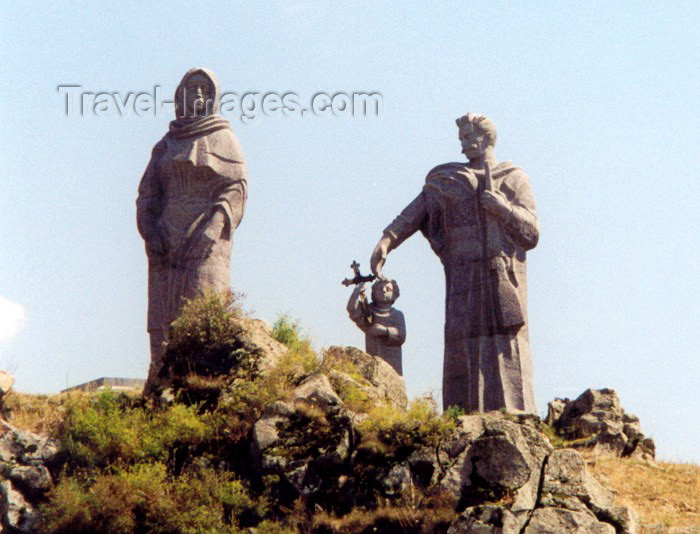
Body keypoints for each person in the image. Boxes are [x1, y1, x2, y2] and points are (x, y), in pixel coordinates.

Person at [370, 113, 539, 413]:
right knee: (462, 342)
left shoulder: (513, 178)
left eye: (467, 138)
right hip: (463, 277)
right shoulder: (447, 181)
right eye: (460, 139)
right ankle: (462, 411)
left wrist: (504, 210)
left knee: (505, 344)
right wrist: (387, 240)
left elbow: (532, 233)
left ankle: (513, 413)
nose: (462, 146)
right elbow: (416, 212)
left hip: (502, 272)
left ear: (485, 138)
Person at [136, 67, 247, 395]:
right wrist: (150, 230)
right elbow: (147, 195)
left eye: (203, 90)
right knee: (164, 314)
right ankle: (159, 385)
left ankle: (202, 388)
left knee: (202, 307)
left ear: (212, 97)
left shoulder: (223, 138)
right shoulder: (165, 145)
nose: (197, 96)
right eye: (190, 90)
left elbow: (236, 187)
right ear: (179, 97)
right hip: (166, 238)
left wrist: (214, 227)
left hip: (205, 239)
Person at [347, 278, 406, 375]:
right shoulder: (368, 312)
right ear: (374, 292)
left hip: (393, 363)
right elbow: (352, 309)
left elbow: (401, 335)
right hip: (373, 358)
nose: (383, 290)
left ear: (394, 294)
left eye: (388, 289)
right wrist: (356, 292)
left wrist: (385, 330)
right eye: (380, 288)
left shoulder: (397, 315)